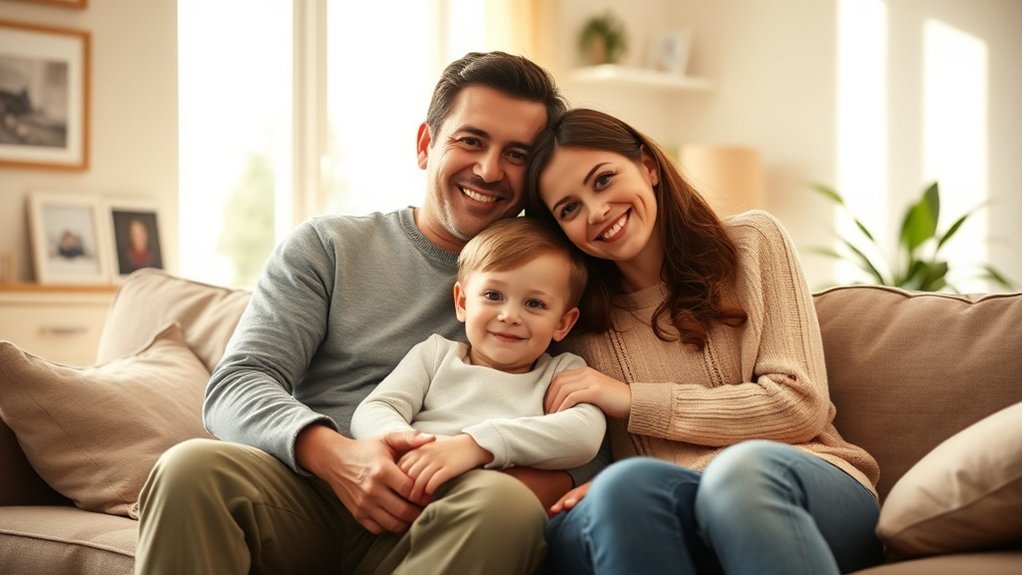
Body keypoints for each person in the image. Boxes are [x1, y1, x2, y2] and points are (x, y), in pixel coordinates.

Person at [134, 52, 587, 575]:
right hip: (309, 497)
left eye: (517, 154)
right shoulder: (329, 246)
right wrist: (338, 458)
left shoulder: (558, 278)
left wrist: (463, 479)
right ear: (426, 144)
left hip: (450, 511)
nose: (489, 170)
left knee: (505, 507)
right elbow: (238, 384)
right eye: (471, 141)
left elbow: (586, 438)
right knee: (188, 468)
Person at [523, 108, 885, 575]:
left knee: (740, 473)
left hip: (804, 487)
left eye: (603, 180)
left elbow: (798, 405)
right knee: (624, 488)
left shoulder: (753, 243)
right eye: (568, 208)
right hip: (677, 507)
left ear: (649, 166)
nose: (596, 212)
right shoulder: (575, 321)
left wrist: (633, 400)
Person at [351, 217, 606, 503]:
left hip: (492, 503)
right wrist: (404, 443)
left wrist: (475, 445)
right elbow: (376, 407)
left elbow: (585, 435)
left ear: (563, 323)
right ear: (462, 302)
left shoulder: (562, 373)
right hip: (414, 480)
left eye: (535, 303)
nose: (509, 316)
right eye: (493, 295)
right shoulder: (435, 354)